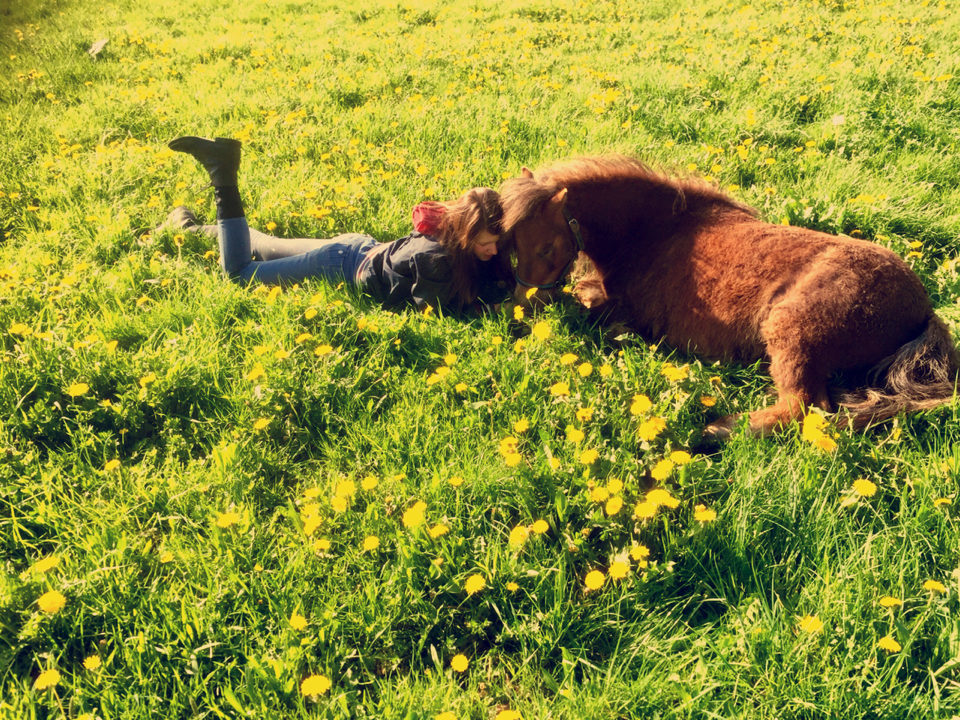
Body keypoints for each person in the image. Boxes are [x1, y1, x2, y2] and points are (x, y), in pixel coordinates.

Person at [162, 136, 513, 313]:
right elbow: (433, 312)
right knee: (240, 274)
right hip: (339, 266)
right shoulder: (436, 258)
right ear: (466, 235)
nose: (493, 250)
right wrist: (498, 309)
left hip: (355, 247)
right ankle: (222, 172)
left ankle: (190, 230)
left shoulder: (453, 228)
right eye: (485, 243)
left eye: (496, 242)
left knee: (263, 243)